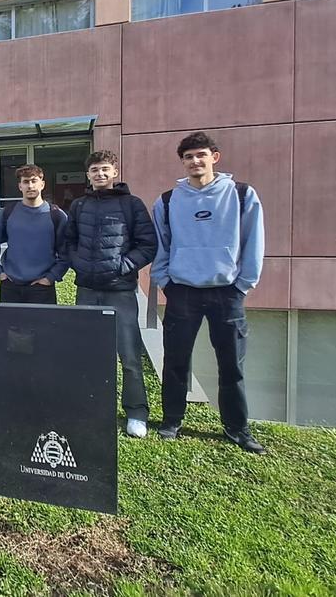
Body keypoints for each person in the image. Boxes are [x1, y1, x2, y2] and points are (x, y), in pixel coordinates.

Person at [152, 131, 266, 454]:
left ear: (214, 157)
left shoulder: (242, 194)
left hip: (227, 293)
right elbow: (162, 245)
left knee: (231, 363)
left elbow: (254, 243)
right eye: (188, 157)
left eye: (200, 155)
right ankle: (172, 420)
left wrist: (243, 285)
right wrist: (165, 282)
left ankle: (237, 428)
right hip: (182, 292)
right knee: (175, 361)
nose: (194, 161)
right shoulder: (168, 200)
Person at [60, 150, 158, 438]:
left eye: (105, 169)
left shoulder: (132, 205)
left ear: (114, 172)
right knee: (87, 355)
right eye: (94, 170)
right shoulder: (78, 205)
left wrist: (122, 266)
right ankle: (91, 409)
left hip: (120, 291)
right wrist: (79, 264)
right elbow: (69, 242)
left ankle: (136, 413)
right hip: (87, 291)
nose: (100, 174)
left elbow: (147, 244)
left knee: (129, 356)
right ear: (88, 175)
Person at [0, 164, 68, 305]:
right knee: (9, 327)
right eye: (25, 182)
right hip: (10, 286)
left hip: (43, 288)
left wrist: (50, 278)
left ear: (42, 184)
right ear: (20, 186)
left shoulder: (56, 215)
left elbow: (66, 252)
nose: (30, 186)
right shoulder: (7, 213)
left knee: (43, 327)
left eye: (34, 181)